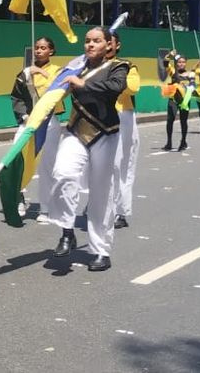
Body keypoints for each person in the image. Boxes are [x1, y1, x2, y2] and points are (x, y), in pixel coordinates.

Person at [50, 26, 130, 272]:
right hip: (75, 130)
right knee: (62, 175)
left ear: (109, 44)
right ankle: (67, 231)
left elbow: (114, 89)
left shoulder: (119, 66)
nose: (90, 45)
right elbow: (54, 90)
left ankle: (100, 251)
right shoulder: (75, 66)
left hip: (105, 133)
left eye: (96, 41)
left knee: (101, 194)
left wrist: (81, 85)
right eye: (87, 41)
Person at [9, 36, 64, 220]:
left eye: (43, 48)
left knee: (47, 165)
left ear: (51, 51)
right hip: (28, 122)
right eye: (37, 48)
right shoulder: (25, 73)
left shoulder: (58, 71)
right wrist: (24, 115)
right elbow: (16, 96)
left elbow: (61, 91)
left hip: (49, 123)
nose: (39, 51)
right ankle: (19, 197)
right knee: (18, 160)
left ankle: (45, 208)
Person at [109, 33, 140, 229]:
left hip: (122, 117)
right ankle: (100, 204)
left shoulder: (127, 65)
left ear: (116, 45)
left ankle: (121, 211)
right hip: (95, 119)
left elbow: (133, 87)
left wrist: (112, 74)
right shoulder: (89, 66)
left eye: (106, 41)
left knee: (123, 165)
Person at [162, 53, 193, 151]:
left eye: (183, 62)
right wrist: (170, 55)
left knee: (183, 121)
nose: (181, 64)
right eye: (179, 62)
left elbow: (193, 85)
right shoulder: (173, 71)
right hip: (173, 99)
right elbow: (165, 62)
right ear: (176, 63)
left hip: (184, 101)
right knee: (170, 120)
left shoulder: (190, 74)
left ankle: (183, 141)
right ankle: (169, 142)